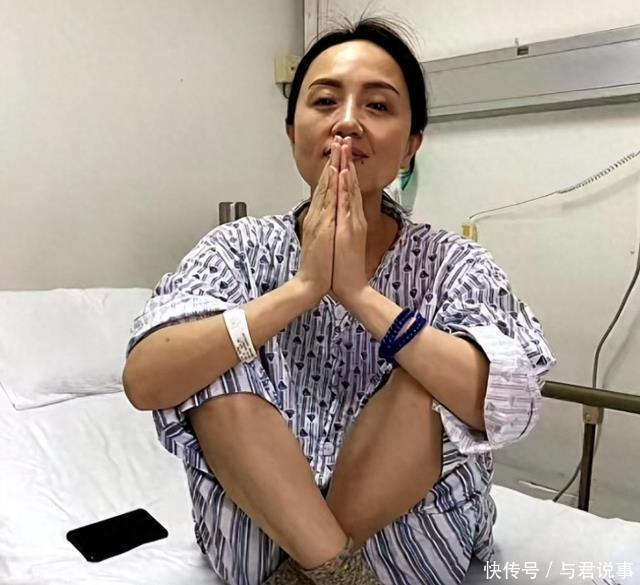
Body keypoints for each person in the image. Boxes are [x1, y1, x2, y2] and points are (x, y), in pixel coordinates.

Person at [122, 17, 556, 585]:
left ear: (411, 145)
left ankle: (310, 572)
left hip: (411, 547)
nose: (347, 122)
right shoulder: (236, 249)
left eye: (378, 106)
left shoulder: (454, 264)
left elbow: (508, 404)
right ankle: (331, 569)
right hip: (257, 541)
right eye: (325, 101)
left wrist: (359, 296)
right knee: (209, 352)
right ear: (291, 131)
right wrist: (301, 290)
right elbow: (146, 381)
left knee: (433, 371)